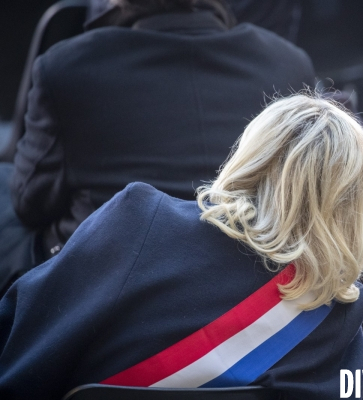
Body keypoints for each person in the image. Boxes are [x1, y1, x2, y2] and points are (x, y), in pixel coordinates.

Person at [0, 93, 363, 400]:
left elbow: (23, 348)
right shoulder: (336, 309)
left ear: (251, 155)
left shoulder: (142, 220)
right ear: (356, 206)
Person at [3, 0, 314, 292]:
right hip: (250, 287)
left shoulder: (65, 68)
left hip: (106, 295)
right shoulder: (290, 64)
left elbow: (30, 202)